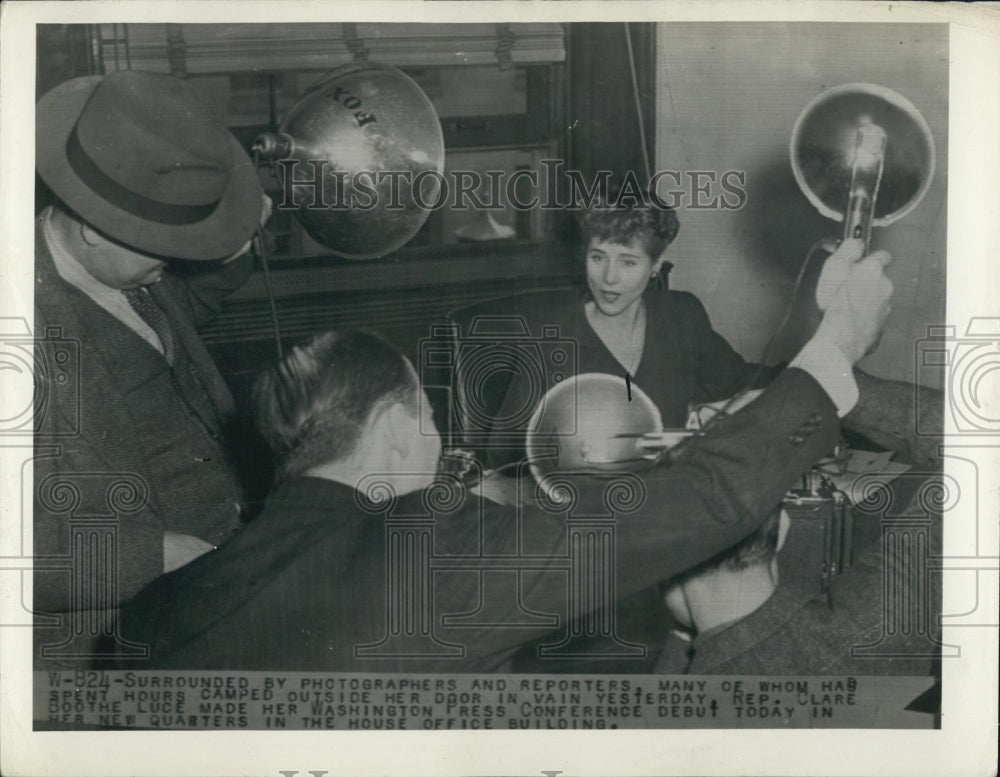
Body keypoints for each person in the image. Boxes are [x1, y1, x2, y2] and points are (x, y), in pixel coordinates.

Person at [112, 239, 894, 671]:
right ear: (389, 427)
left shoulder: (161, 604)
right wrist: (834, 349)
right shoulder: (427, 551)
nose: (437, 439)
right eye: (426, 418)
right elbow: (692, 509)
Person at [32, 69, 269, 623]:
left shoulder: (130, 277)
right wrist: (150, 557)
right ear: (94, 226)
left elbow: (169, 320)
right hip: (116, 633)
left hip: (215, 588)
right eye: (162, 245)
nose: (174, 263)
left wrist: (231, 251)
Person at [484, 197, 779, 470]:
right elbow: (506, 455)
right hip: (583, 505)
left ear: (655, 265)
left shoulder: (681, 316)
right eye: (598, 257)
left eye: (628, 262)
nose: (609, 278)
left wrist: (820, 359)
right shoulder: (552, 335)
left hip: (668, 499)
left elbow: (746, 381)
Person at [653, 502, 942, 676]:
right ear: (784, 527)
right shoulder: (873, 626)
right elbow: (971, 450)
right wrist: (828, 399)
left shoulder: (658, 716)